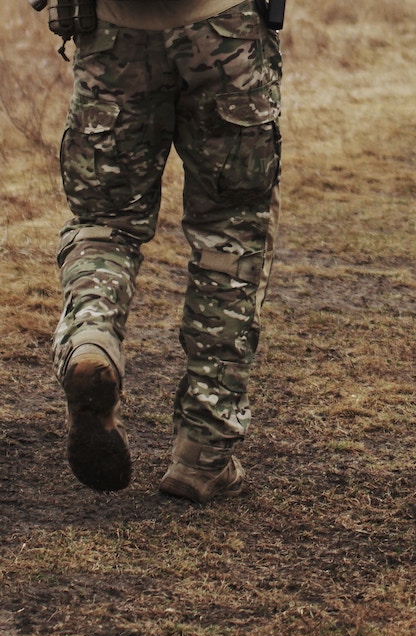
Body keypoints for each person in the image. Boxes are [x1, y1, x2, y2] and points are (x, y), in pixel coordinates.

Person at [46, 0, 282, 503]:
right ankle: (203, 454)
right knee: (230, 234)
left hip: (111, 33)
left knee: (103, 224)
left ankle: (91, 336)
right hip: (225, 31)